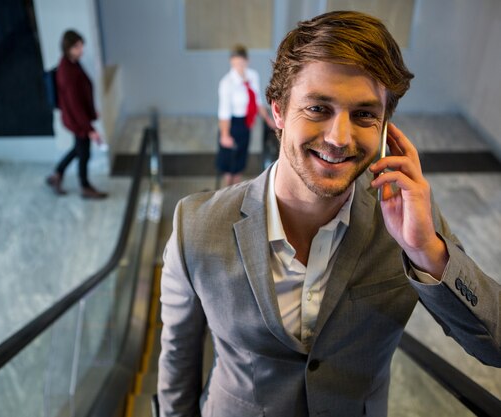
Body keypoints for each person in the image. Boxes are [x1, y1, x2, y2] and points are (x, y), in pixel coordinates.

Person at [158, 11, 500, 417]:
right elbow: (177, 366)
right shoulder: (195, 226)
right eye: (318, 108)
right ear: (279, 113)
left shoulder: (410, 225)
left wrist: (427, 252)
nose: (339, 138)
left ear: (386, 127)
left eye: (364, 114)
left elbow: (494, 347)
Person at [46, 30, 107, 199]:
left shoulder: (71, 63)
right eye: (77, 47)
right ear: (68, 48)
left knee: (79, 150)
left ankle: (57, 175)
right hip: (77, 121)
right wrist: (89, 129)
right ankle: (85, 187)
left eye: (81, 45)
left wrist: (91, 113)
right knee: (84, 153)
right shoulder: (68, 71)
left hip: (77, 119)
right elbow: (75, 105)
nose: (81, 50)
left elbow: (81, 96)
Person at [216, 44, 276, 187]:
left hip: (246, 123)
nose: (239, 65)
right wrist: (225, 135)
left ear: (247, 61)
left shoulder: (252, 76)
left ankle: (236, 191)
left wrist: (269, 120)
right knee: (229, 166)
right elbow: (224, 112)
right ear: (231, 61)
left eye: (241, 62)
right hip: (231, 124)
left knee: (240, 161)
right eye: (236, 62)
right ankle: (226, 192)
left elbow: (257, 101)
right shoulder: (227, 83)